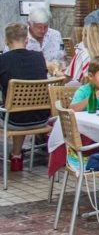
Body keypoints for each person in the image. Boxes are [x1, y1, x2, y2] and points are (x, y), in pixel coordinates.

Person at [0, 22, 51, 172]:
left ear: (6, 41)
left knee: (13, 109)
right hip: (41, 118)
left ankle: (16, 157)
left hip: (14, 119)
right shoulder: (38, 57)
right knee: (18, 108)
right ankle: (16, 156)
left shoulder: (3, 60)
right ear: (27, 40)